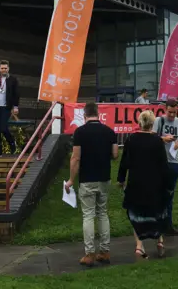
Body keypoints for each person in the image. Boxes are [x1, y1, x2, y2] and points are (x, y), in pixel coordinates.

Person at [64, 102, 118, 266]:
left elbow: (75, 158)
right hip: (104, 178)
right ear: (97, 113)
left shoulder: (80, 132)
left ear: (85, 115)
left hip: (87, 179)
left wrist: (71, 179)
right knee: (102, 213)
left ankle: (89, 254)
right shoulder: (109, 131)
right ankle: (105, 251)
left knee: (88, 215)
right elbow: (115, 154)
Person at [117, 110, 171, 259]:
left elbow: (124, 163)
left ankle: (139, 246)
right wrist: (168, 185)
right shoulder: (157, 142)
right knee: (158, 212)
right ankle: (159, 241)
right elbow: (164, 165)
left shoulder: (131, 139)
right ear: (152, 124)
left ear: (139, 122)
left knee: (136, 213)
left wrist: (121, 179)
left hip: (136, 183)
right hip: (155, 184)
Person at [152, 98, 178, 236]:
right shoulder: (159, 121)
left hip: (174, 162)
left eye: (175, 112)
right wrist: (163, 139)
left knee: (169, 195)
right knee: (159, 194)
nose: (172, 115)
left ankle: (168, 226)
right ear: (165, 109)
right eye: (170, 112)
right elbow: (151, 138)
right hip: (160, 162)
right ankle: (157, 225)